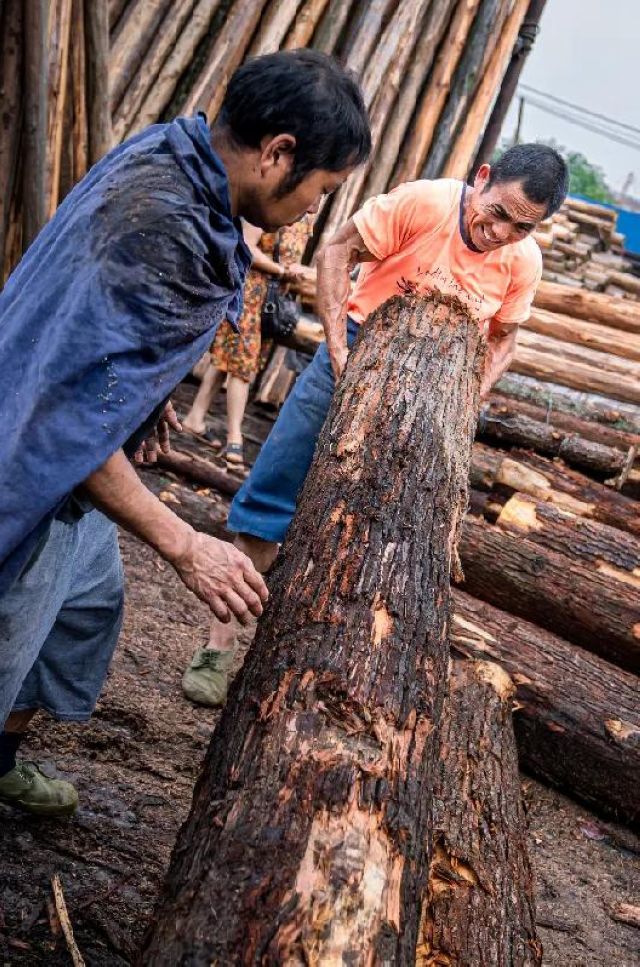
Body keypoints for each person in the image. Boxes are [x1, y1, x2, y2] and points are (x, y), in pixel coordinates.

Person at [0, 49, 371, 816]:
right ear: (278, 155)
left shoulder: (179, 153)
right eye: (321, 190)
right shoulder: (162, 223)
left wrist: (142, 395)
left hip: (72, 448)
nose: (314, 210)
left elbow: (101, 346)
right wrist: (185, 543)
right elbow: (66, 415)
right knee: (10, 637)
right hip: (32, 466)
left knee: (85, 611)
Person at [182, 143, 568, 706]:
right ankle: (217, 648)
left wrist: (465, 398)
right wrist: (338, 349)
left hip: (435, 387)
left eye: (520, 227)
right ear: (481, 178)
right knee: (274, 494)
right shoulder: (423, 204)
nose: (501, 232)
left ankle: (315, 665)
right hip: (358, 348)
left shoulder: (522, 261)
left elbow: (503, 341)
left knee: (382, 526)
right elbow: (337, 253)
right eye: (499, 211)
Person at [181, 216, 315, 471]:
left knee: (229, 360)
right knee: (242, 366)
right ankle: (235, 438)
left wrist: (292, 271)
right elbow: (246, 247)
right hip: (249, 293)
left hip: (270, 300)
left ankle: (195, 418)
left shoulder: (306, 219)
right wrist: (282, 271)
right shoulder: (272, 206)